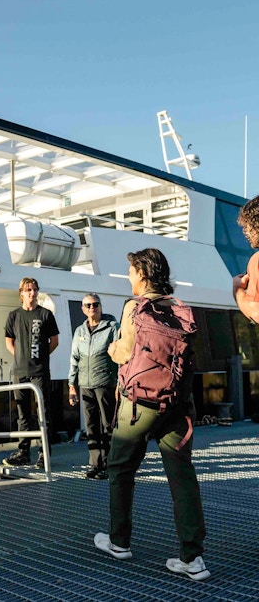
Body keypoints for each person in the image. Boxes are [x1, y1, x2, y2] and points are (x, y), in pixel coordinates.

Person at [94, 248, 210, 582]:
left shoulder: (135, 307)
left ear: (143, 274)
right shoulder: (178, 307)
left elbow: (124, 351)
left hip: (140, 405)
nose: (129, 277)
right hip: (177, 405)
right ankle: (193, 558)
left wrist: (112, 347)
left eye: (131, 271)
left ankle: (119, 541)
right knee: (182, 478)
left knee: (120, 469)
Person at [3, 277, 59, 468]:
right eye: (28, 290)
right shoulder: (14, 315)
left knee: (43, 413)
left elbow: (54, 341)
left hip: (40, 372)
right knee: (22, 413)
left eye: (35, 289)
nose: (32, 293)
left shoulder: (45, 314)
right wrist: (21, 357)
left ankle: (44, 454)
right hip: (20, 372)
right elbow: (9, 341)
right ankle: (23, 452)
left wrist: (40, 357)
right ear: (21, 293)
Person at [68, 293, 119, 479]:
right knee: (91, 425)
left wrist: (120, 384)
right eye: (88, 305)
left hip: (105, 383)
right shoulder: (79, 331)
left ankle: (109, 464)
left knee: (108, 424)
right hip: (86, 384)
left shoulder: (112, 327)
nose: (92, 308)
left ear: (100, 307)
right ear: (83, 309)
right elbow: (74, 358)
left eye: (95, 304)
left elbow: (119, 357)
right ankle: (95, 464)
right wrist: (72, 385)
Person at [233, 195, 259, 323]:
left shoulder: (257, 260)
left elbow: (256, 312)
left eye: (246, 226)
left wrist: (238, 290)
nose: (244, 232)